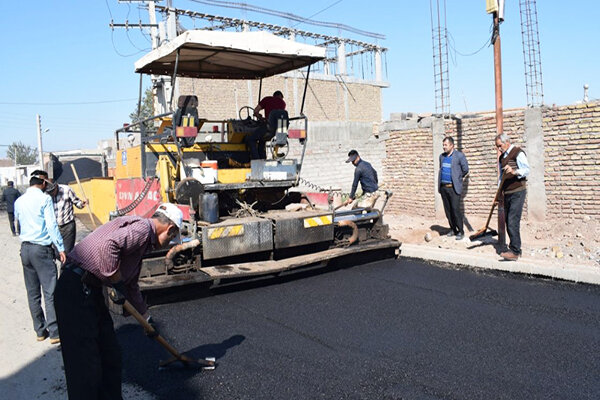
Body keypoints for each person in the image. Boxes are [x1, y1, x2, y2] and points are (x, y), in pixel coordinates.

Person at [54, 203, 183, 400]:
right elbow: (108, 246)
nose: (169, 243)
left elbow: (130, 286)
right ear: (170, 228)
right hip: (75, 290)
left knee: (110, 357)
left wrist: (147, 319)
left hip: (90, 292)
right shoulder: (142, 229)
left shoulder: (142, 240)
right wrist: (116, 281)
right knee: (85, 367)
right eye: (172, 238)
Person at [13, 170, 66, 344]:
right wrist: (60, 248)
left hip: (25, 249)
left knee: (33, 292)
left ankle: (40, 330)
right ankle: (55, 332)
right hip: (41, 249)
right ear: (43, 184)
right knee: (50, 291)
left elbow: (18, 223)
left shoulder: (19, 201)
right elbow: (51, 225)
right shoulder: (44, 199)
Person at [495, 133, 530, 261]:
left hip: (518, 191)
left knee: (512, 221)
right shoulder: (502, 158)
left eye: (500, 146)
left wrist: (514, 171)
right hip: (507, 193)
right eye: (497, 147)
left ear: (506, 142)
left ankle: (515, 251)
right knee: (508, 221)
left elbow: (526, 170)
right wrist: (499, 193)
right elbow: (501, 178)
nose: (499, 149)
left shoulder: (518, 152)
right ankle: (515, 249)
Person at [438, 136, 469, 240]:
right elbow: (441, 169)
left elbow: (465, 169)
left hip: (453, 188)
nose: (444, 147)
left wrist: (458, 178)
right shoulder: (442, 156)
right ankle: (453, 229)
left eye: (445, 145)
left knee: (455, 210)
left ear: (452, 145)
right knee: (448, 211)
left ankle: (460, 231)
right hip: (444, 188)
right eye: (443, 145)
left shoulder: (459, 156)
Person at [48, 180, 87, 253]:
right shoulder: (47, 195)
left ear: (56, 186)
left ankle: (66, 264)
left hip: (68, 225)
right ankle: (64, 263)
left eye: (53, 191)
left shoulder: (67, 190)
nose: (52, 193)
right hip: (55, 227)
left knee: (68, 252)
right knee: (57, 252)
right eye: (50, 192)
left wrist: (82, 204)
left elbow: (76, 202)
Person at [246, 90, 288, 159]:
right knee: (262, 140)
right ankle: (262, 158)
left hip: (268, 128)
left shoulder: (267, 99)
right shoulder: (283, 103)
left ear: (274, 95)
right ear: (281, 96)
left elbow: (256, 111)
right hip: (278, 131)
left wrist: (260, 117)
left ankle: (257, 160)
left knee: (251, 139)